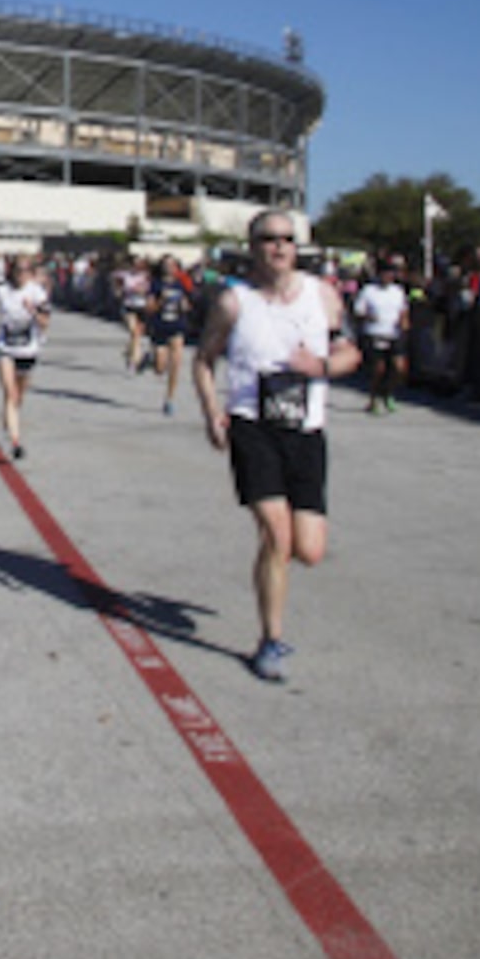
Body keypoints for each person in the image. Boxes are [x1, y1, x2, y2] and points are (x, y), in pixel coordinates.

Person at [194, 213, 361, 683]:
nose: (280, 247)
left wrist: (321, 366)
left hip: (305, 432)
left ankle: (273, 601)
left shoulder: (321, 295)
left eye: (288, 239)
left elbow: (352, 353)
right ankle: (270, 639)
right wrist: (212, 411)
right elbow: (204, 361)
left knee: (309, 550)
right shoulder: (233, 302)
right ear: (253, 246)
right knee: (276, 534)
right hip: (253, 428)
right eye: (270, 239)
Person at [0, 255, 50, 458]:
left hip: (28, 350)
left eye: (26, 271)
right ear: (12, 271)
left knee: (18, 397)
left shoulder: (36, 293)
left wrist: (33, 312)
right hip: (5, 348)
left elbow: (45, 323)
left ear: (31, 273)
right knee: (10, 394)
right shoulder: (2, 290)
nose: (22, 275)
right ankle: (15, 442)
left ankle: (9, 421)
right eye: (18, 270)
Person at [352, 258, 410, 415]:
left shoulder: (397, 291)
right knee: (379, 369)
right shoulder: (369, 291)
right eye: (385, 273)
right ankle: (373, 399)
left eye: (391, 274)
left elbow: (403, 310)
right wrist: (368, 318)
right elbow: (358, 311)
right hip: (374, 332)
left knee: (399, 367)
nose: (388, 277)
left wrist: (404, 323)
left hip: (393, 333)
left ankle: (388, 392)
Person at [147, 256, 193, 416]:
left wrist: (184, 305)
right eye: (167, 264)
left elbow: (188, 303)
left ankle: (170, 399)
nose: (170, 267)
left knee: (176, 364)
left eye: (173, 265)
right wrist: (161, 300)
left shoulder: (180, 283)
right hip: (160, 326)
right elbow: (150, 308)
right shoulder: (155, 284)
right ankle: (150, 360)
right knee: (160, 368)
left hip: (177, 326)